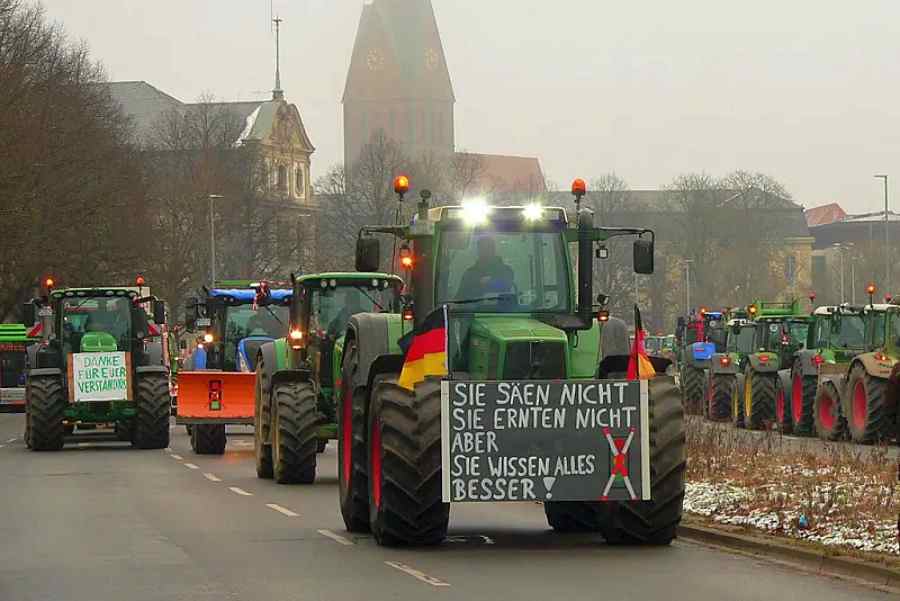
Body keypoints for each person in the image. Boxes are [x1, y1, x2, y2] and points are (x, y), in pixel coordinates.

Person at [455, 236, 515, 301]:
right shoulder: (470, 274)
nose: (485, 251)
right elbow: (459, 299)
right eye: (482, 248)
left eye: (488, 248)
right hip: (473, 310)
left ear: (493, 250)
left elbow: (506, 285)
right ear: (478, 251)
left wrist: (490, 281)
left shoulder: (506, 271)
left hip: (503, 310)